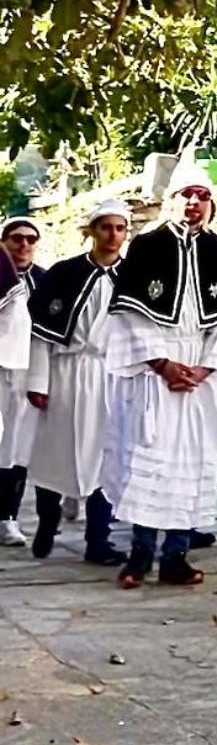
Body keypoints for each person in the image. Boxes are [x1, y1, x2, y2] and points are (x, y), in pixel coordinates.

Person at [103, 166, 217, 589]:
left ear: (212, 204)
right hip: (158, 376)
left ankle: (176, 559)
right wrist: (162, 364)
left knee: (194, 466)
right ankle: (139, 558)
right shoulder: (147, 247)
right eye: (187, 194)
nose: (194, 203)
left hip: (200, 378)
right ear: (172, 199)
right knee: (151, 463)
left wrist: (205, 367)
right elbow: (130, 316)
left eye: (202, 195)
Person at [25, 200, 130, 565]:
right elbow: (40, 333)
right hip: (67, 374)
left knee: (107, 456)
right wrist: (38, 380)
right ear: (92, 231)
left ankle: (97, 540)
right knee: (55, 452)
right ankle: (47, 520)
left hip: (112, 376)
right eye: (105, 228)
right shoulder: (64, 273)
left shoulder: (132, 276)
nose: (112, 236)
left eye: (119, 229)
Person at [0, 216, 45, 545]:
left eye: (30, 239)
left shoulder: (45, 281)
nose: (23, 245)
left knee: (18, 449)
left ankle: (8, 517)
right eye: (16, 238)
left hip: (29, 375)